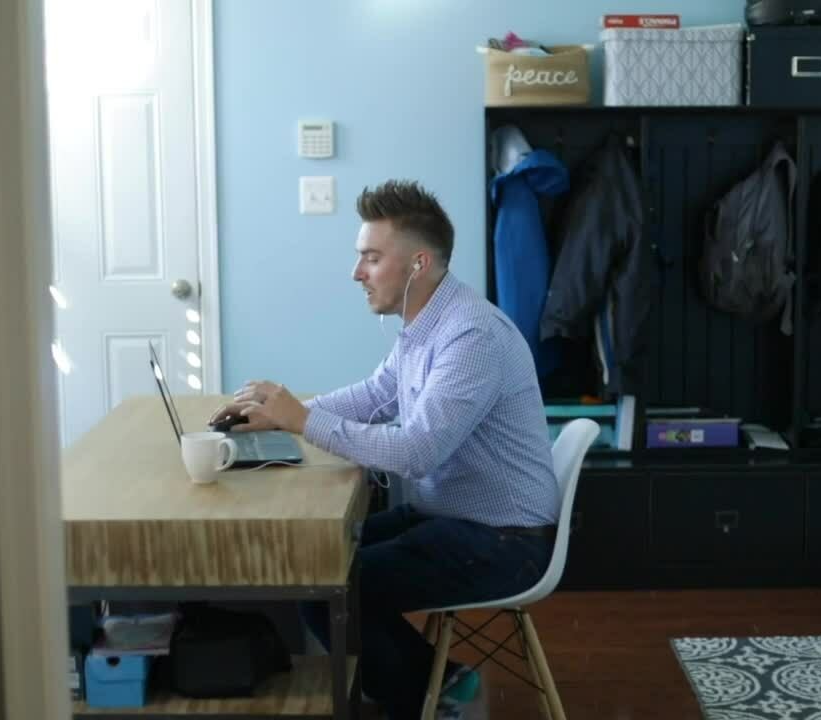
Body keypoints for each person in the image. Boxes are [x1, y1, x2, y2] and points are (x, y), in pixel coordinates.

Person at [210, 179, 559, 720]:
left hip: (502, 541)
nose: (357, 273)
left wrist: (302, 420)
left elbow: (417, 451)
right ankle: (437, 685)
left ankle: (428, 700)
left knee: (330, 590)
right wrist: (285, 408)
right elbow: (376, 396)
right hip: (454, 517)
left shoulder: (470, 337)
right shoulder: (425, 325)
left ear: (418, 264)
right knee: (317, 563)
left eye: (371, 258)